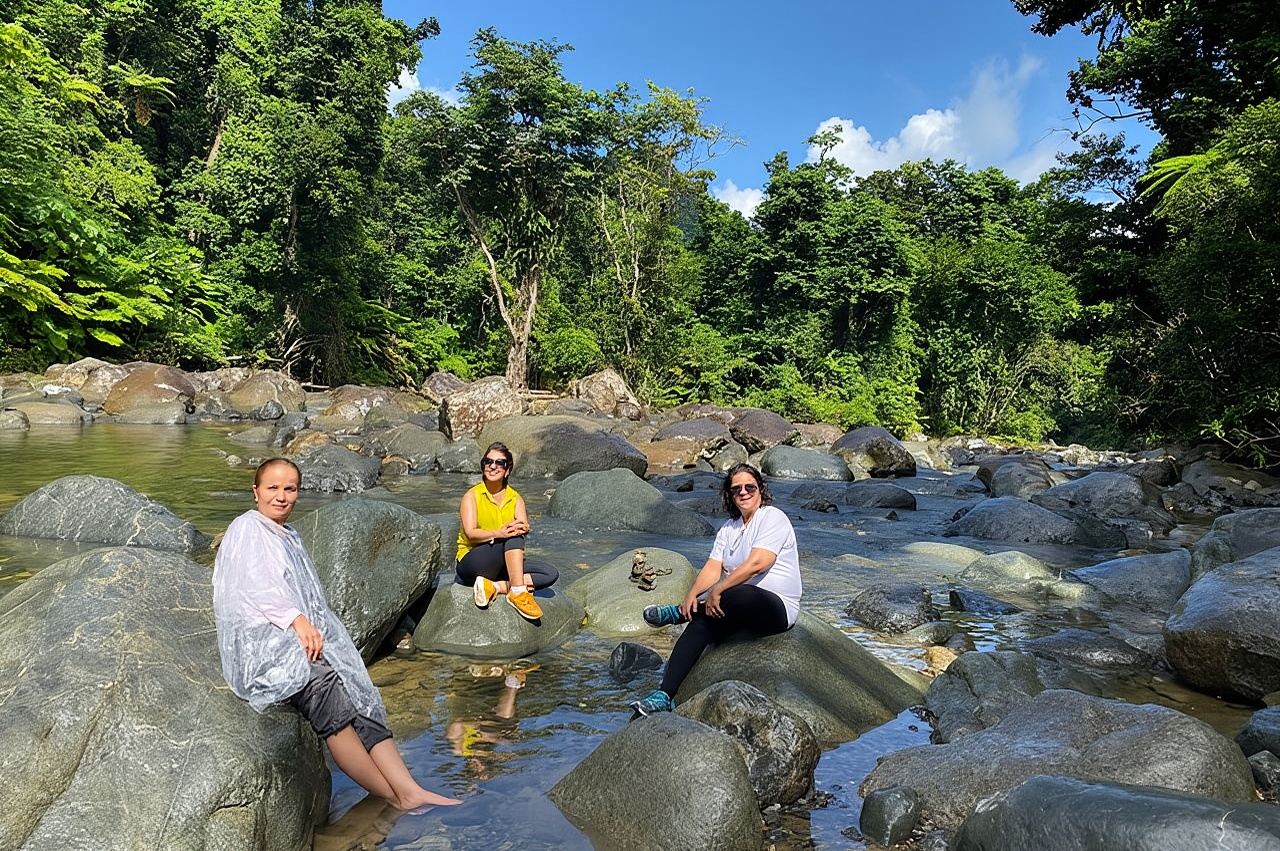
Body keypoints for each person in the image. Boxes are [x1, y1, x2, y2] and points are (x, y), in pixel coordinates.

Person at [213, 458, 459, 811]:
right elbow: (256, 587)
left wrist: (319, 635)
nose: (281, 497)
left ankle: (409, 787)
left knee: (359, 691)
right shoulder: (248, 528)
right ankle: (393, 798)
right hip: (266, 644)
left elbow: (309, 597)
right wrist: (296, 621)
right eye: (273, 488)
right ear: (255, 492)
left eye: (290, 489)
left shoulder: (289, 535)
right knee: (327, 691)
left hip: (295, 635)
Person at [629, 463, 802, 716]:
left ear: (760, 490)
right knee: (702, 622)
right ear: (729, 496)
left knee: (738, 593)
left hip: (776, 608)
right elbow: (712, 567)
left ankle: (678, 613)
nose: (743, 493)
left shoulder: (772, 517)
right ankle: (663, 694)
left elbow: (759, 563)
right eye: (736, 490)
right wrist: (690, 595)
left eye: (749, 487)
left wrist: (719, 589)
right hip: (736, 606)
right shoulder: (728, 529)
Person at [455, 442, 558, 620]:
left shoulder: (515, 498)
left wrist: (523, 527)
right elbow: (471, 533)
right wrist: (499, 533)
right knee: (513, 536)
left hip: (502, 564)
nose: (493, 466)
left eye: (499, 463)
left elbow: (523, 526)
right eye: (488, 462)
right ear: (483, 465)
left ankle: (496, 587)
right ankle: (518, 591)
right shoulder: (471, 496)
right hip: (472, 561)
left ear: (507, 470)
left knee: (549, 573)